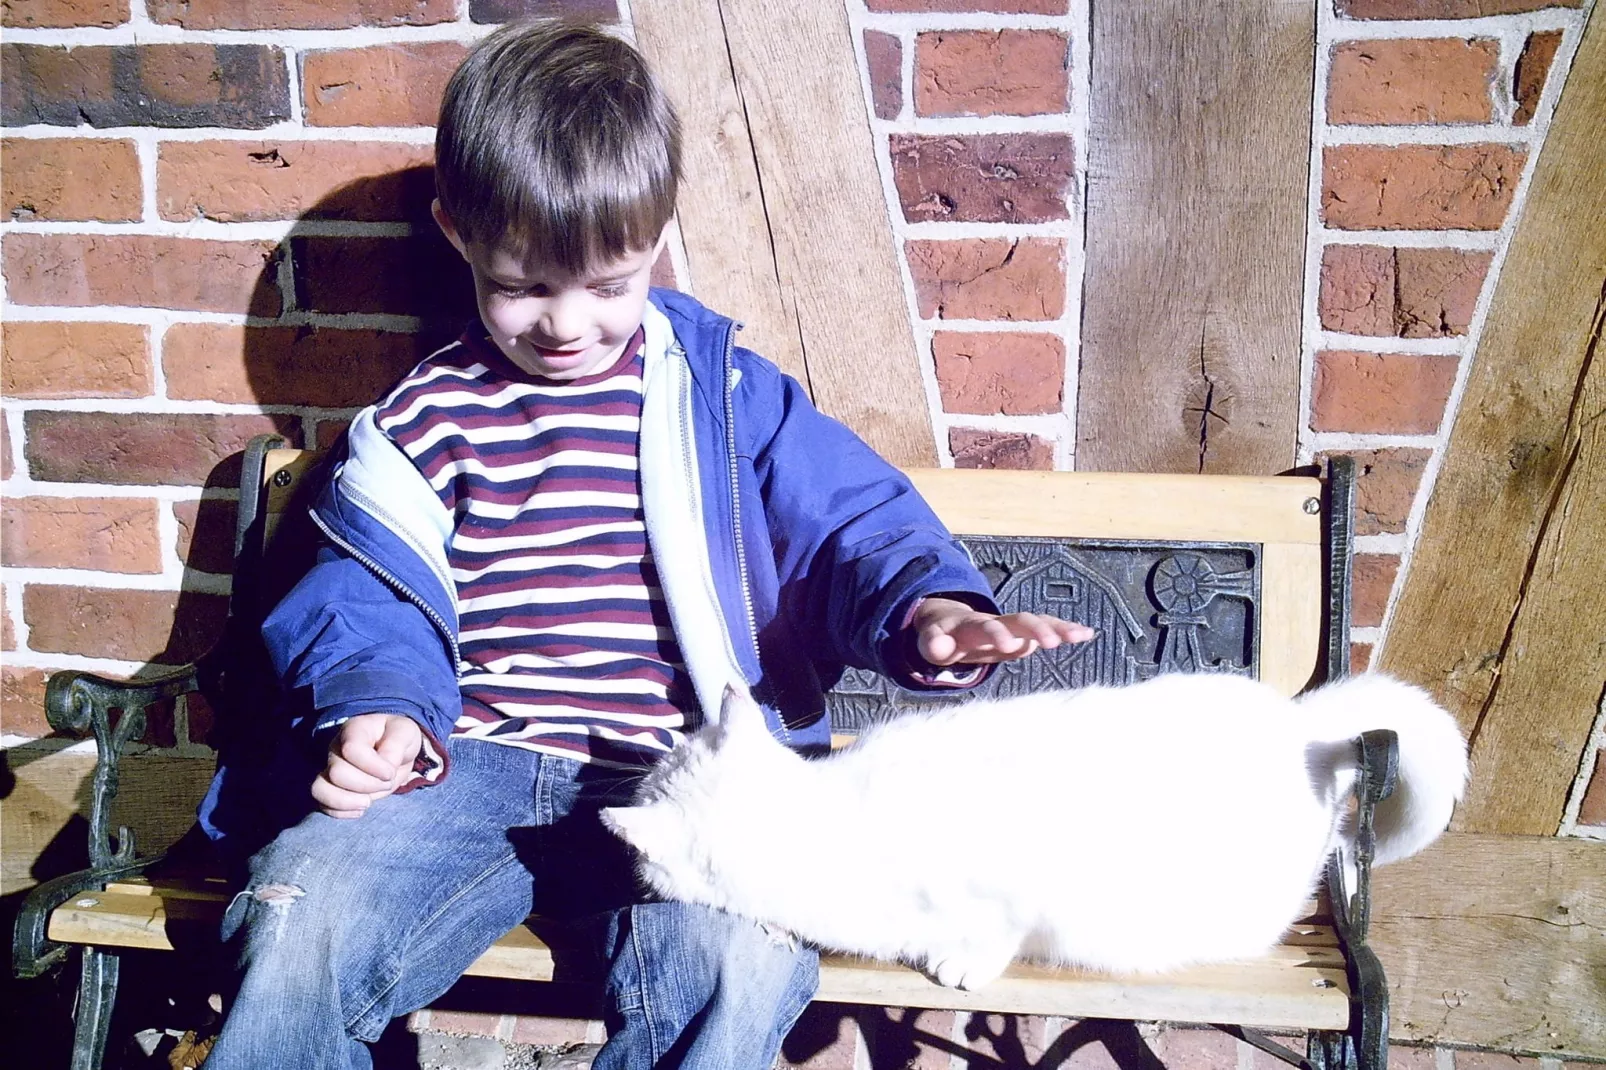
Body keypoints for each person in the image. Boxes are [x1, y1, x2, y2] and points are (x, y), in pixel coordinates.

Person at [198, 19, 1092, 1070]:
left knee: (739, 967)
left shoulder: (721, 398)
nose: (566, 323)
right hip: (466, 767)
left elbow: (849, 523)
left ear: (659, 233)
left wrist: (925, 609)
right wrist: (379, 705)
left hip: (684, 776)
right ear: (458, 235)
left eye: (607, 285)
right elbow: (362, 591)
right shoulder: (420, 422)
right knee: (304, 908)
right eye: (524, 286)